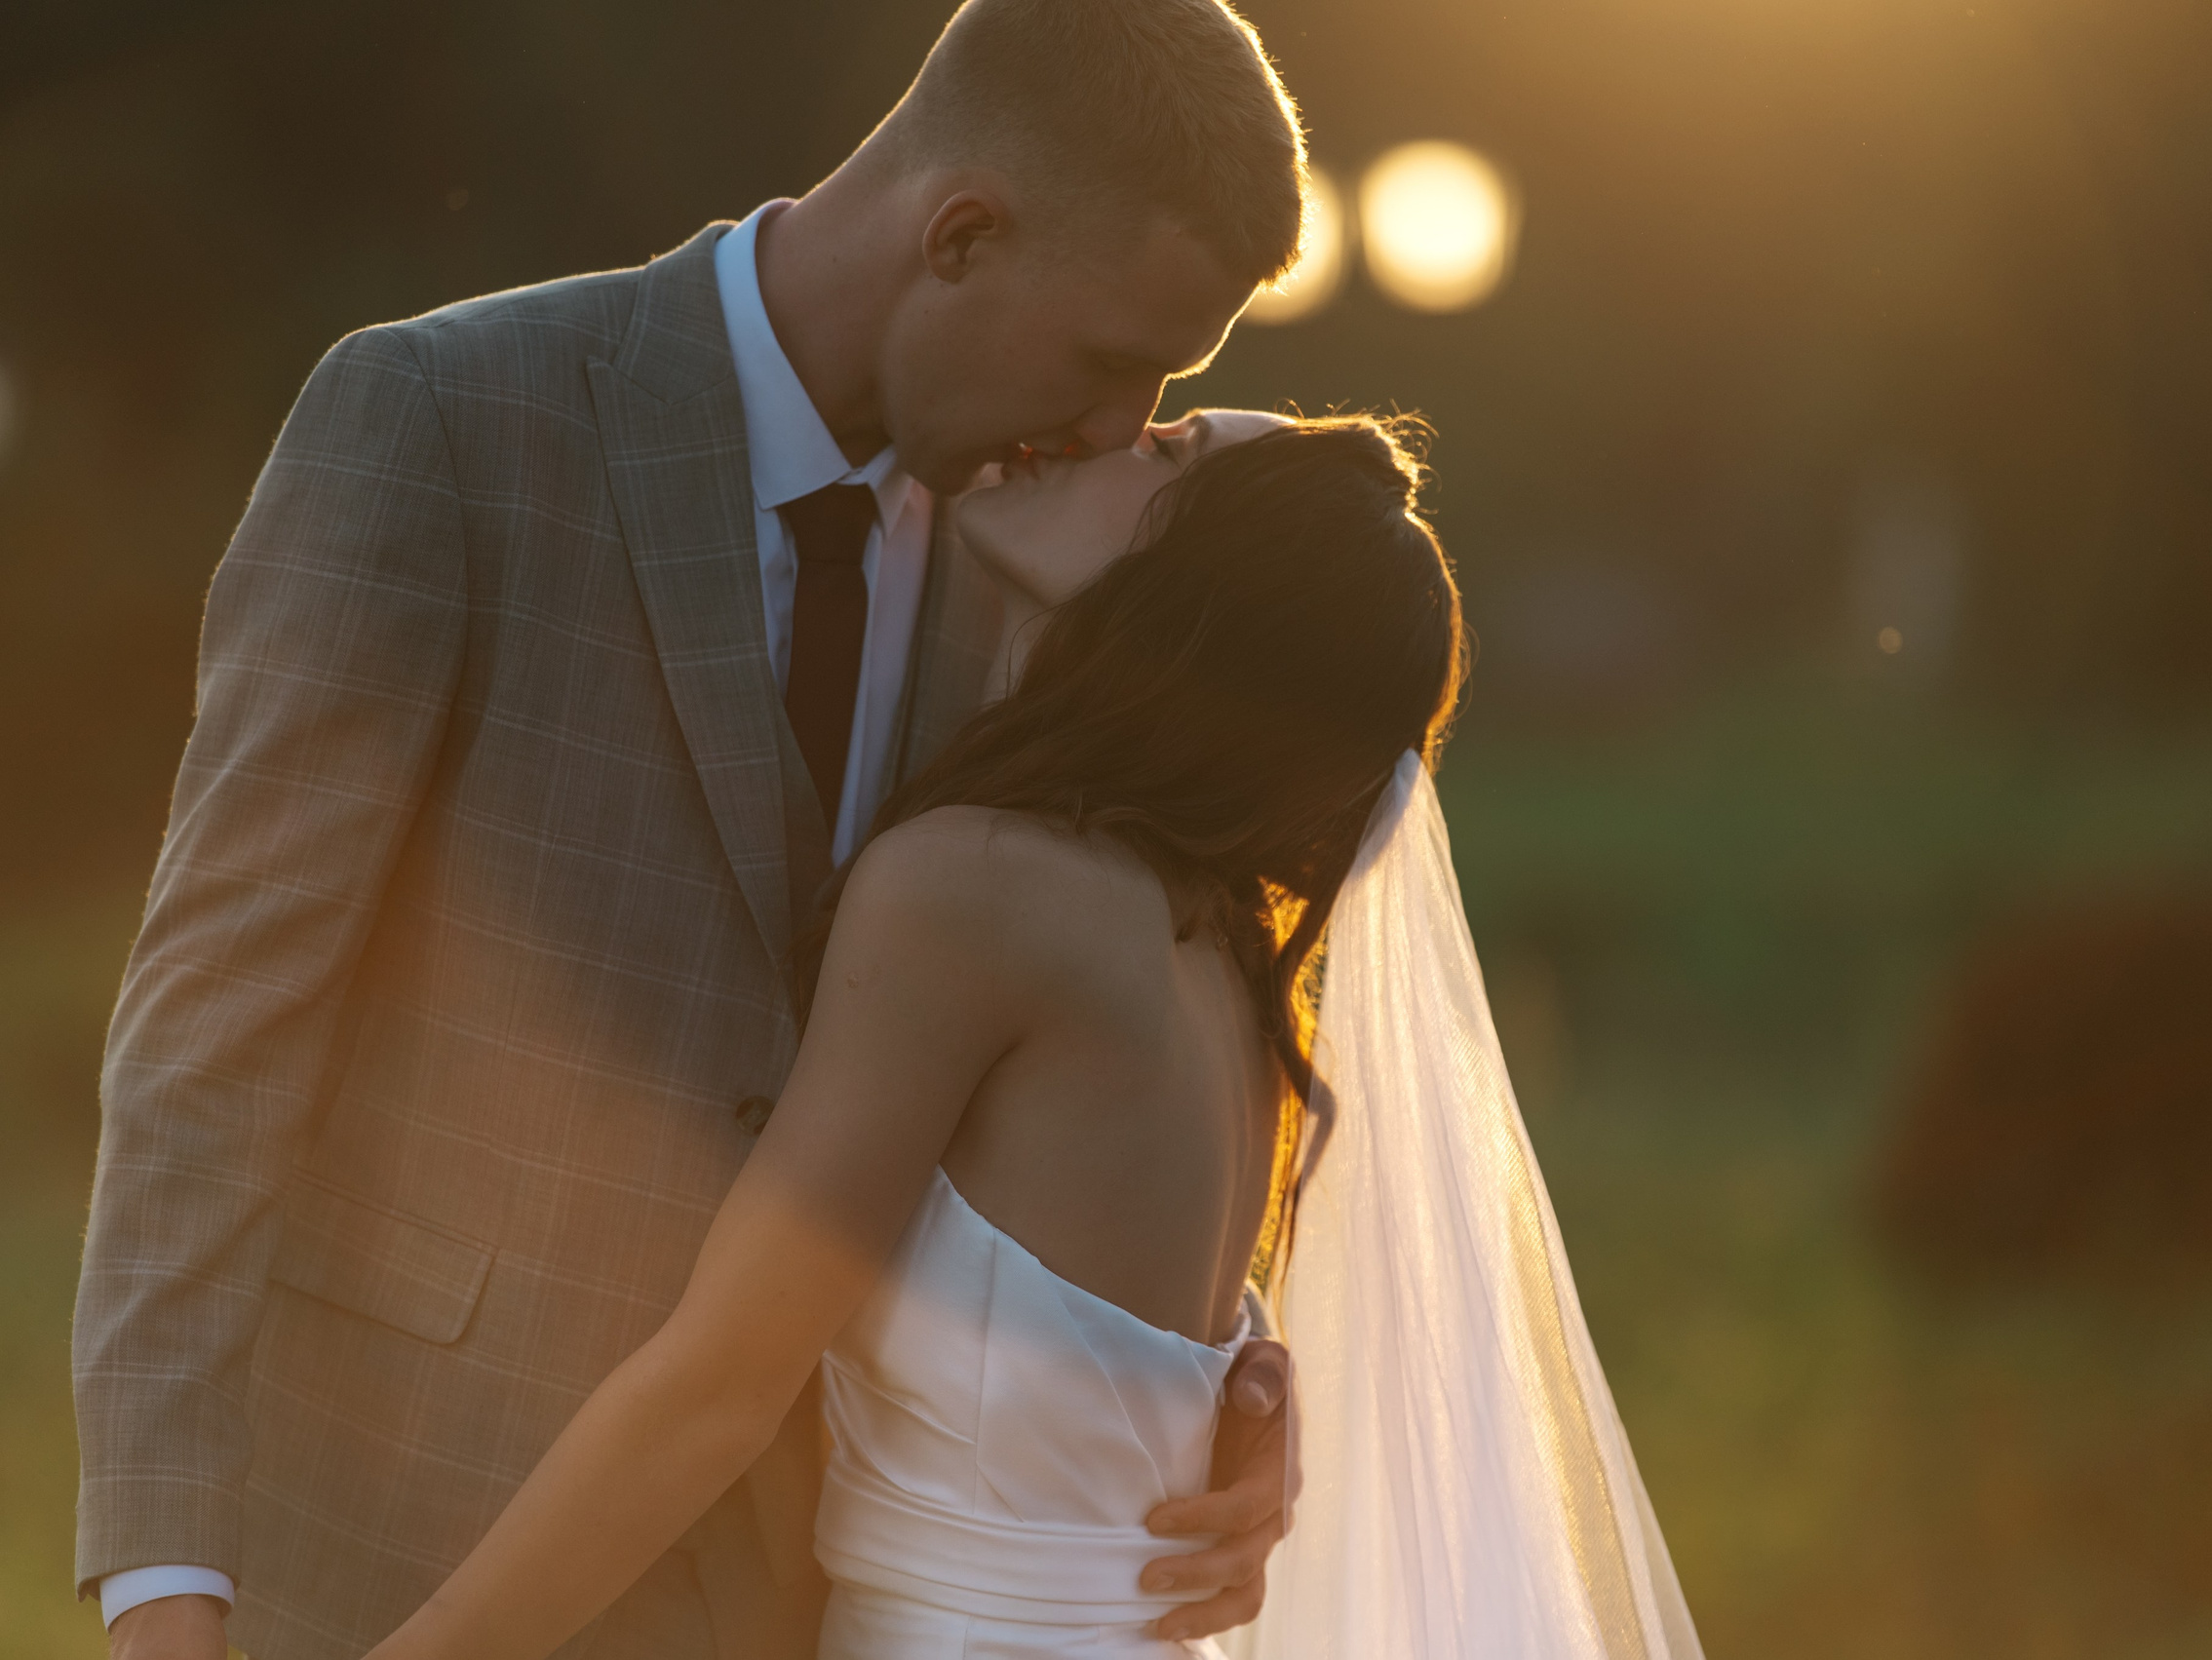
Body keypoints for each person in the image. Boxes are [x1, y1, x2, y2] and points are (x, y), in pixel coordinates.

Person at [72, 3, 1306, 1657]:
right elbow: (207, 1048)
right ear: (961, 234)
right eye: (1108, 364)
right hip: (382, 1553)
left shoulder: (1043, 576)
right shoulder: (441, 423)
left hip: (800, 1586)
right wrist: (167, 1590)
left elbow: (1084, 1038)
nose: (1112, 431)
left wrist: (1223, 1373)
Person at [356, 407, 1705, 1660]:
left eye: (1171, 453)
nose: (1121, 431)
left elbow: (723, 1380)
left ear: (1200, 590)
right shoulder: (1227, 966)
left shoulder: (983, 891)